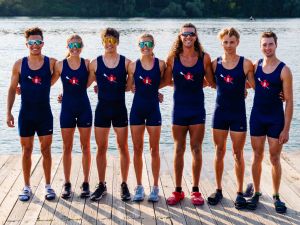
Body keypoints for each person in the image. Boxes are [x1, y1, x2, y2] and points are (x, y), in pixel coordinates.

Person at [163, 23, 214, 206]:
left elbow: (212, 82)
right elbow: (166, 81)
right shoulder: (173, 58)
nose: (188, 37)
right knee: (178, 149)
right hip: (179, 110)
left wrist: (242, 89)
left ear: (196, 36)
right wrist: (144, 88)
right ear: (180, 36)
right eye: (185, 34)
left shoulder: (204, 58)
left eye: (191, 34)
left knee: (196, 149)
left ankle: (195, 190)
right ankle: (177, 190)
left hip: (197, 110)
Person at [6, 27, 56, 201]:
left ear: (43, 43)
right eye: (31, 43)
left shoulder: (51, 63)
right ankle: (26, 187)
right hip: (26, 114)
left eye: (38, 42)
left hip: (44, 114)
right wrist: (8, 113)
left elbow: (71, 70)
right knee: (26, 150)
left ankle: (48, 186)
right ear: (26, 44)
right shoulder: (19, 65)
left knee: (46, 150)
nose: (35, 45)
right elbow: (12, 89)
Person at [246, 31, 293, 213]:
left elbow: (289, 101)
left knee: (274, 158)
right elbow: (243, 80)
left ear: (276, 45)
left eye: (270, 44)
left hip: (275, 119)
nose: (267, 48)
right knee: (256, 156)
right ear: (260, 46)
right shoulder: (255, 65)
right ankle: (256, 192)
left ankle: (276, 195)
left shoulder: (284, 70)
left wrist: (286, 129)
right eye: (264, 44)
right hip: (257, 116)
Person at [207, 27, 254, 209]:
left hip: (238, 115)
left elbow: (256, 85)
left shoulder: (245, 64)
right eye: (225, 42)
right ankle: (218, 190)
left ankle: (239, 192)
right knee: (219, 152)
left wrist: (279, 93)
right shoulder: (214, 64)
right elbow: (209, 83)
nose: (228, 45)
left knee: (237, 154)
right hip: (220, 113)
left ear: (237, 42)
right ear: (221, 43)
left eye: (232, 42)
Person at [87, 28, 132, 201]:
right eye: (106, 40)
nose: (109, 44)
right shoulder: (95, 63)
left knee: (123, 147)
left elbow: (129, 87)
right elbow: (83, 84)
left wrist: (155, 93)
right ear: (102, 42)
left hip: (120, 109)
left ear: (117, 42)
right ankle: (101, 184)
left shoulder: (127, 63)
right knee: (101, 148)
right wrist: (64, 94)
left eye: (113, 41)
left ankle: (124, 184)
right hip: (102, 110)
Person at [51, 34, 92, 199]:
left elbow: (99, 81)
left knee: (85, 147)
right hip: (67, 109)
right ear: (67, 47)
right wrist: (23, 88)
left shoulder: (88, 64)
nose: (75, 48)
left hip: (84, 108)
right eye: (71, 45)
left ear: (82, 46)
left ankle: (86, 182)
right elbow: (47, 83)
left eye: (78, 45)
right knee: (66, 147)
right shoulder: (60, 65)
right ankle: (67, 183)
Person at [126, 33, 166, 202]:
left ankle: (155, 187)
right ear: (138, 46)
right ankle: (139, 186)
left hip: (153, 110)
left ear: (153, 45)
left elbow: (166, 81)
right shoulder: (133, 66)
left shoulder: (161, 64)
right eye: (142, 44)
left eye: (148, 43)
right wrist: (101, 86)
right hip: (137, 110)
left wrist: (156, 91)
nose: (145, 46)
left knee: (154, 149)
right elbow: (128, 87)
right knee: (137, 149)